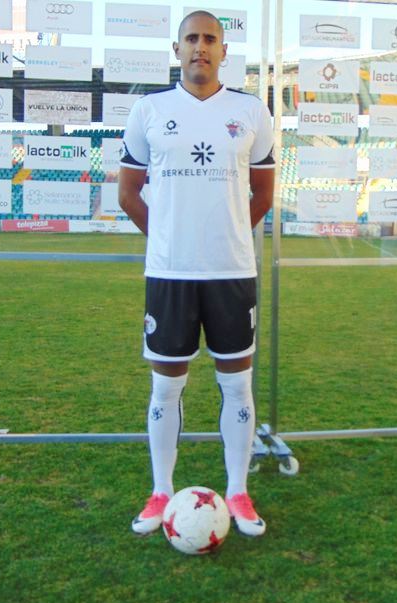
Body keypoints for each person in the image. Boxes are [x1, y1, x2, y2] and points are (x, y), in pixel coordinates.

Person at [118, 10, 276, 538]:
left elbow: (263, 194)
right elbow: (128, 193)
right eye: (191, 38)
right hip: (170, 273)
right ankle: (160, 491)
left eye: (210, 39)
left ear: (224, 51)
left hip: (231, 271)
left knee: (238, 385)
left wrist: (224, 234)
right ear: (177, 49)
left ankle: (239, 492)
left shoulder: (251, 111)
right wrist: (169, 238)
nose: (200, 47)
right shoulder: (149, 110)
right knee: (165, 389)